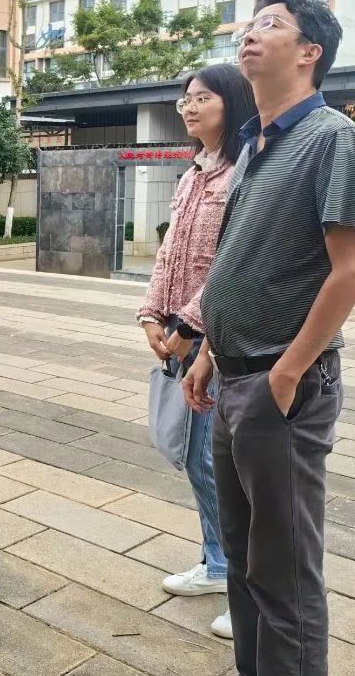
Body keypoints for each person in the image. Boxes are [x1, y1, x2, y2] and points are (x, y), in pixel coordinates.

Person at [185, 0, 355, 675]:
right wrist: (207, 350)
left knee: (285, 574)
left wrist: (288, 372)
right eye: (250, 23)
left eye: (271, 24)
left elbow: (352, 270)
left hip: (282, 386)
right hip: (235, 375)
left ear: (310, 52)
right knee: (243, 564)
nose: (250, 34)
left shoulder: (331, 138)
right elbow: (239, 259)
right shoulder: (255, 144)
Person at [138, 63, 256, 641]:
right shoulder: (192, 176)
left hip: (220, 340)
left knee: (217, 462)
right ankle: (216, 561)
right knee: (188, 453)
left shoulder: (244, 174)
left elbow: (233, 264)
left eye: (202, 98)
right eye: (185, 99)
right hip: (179, 338)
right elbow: (168, 256)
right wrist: (151, 317)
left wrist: (190, 324)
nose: (189, 108)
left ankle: (242, 581)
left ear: (231, 103)